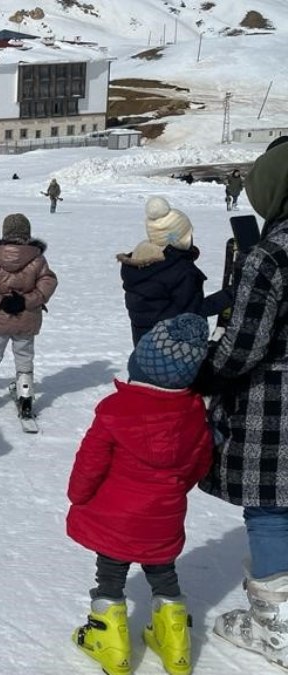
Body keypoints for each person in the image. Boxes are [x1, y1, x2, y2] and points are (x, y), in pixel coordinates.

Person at [67, 314, 213, 675]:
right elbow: (199, 462)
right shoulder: (194, 413)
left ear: (141, 363)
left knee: (111, 574)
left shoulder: (115, 410)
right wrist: (175, 490)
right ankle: (175, 644)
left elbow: (90, 461)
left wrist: (78, 495)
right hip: (163, 519)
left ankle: (111, 644)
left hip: (113, 518)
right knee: (163, 573)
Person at [197, 138, 288, 670]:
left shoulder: (272, 253)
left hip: (275, 402)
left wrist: (203, 372)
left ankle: (275, 628)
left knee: (274, 509)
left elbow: (243, 347)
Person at [0, 213, 58, 418]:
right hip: (26, 318)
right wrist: (27, 301)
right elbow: (48, 282)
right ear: (27, 233)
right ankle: (25, 391)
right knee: (24, 355)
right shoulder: (37, 258)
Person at [116, 197, 217, 346]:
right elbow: (192, 312)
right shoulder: (181, 271)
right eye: (188, 235)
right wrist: (229, 295)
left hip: (146, 351)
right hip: (175, 352)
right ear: (180, 240)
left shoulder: (138, 265)